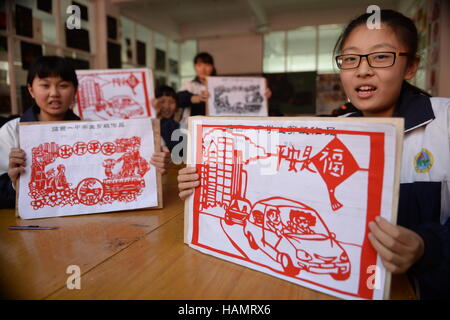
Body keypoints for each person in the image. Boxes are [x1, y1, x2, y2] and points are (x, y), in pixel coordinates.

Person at [177, 10, 450, 299]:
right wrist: (202, 179)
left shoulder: (444, 122)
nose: (363, 70)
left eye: (381, 57)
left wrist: (427, 246)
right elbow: (270, 176)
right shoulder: (330, 134)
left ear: (411, 67)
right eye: (350, 58)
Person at [0, 56, 170, 209]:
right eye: (45, 85)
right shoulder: (12, 132)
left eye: (63, 86)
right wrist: (15, 183)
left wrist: (154, 165)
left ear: (75, 91)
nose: (54, 93)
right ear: (31, 90)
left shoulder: (93, 132)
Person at [177, 52, 216, 119]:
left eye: (207, 65)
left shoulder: (218, 85)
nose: (203, 69)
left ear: (212, 67)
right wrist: (194, 98)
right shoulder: (188, 85)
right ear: (195, 67)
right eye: (199, 65)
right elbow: (178, 98)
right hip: (191, 125)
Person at [153, 85, 182, 152]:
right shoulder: (145, 125)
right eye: (162, 102)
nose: (166, 106)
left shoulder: (175, 126)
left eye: (171, 102)